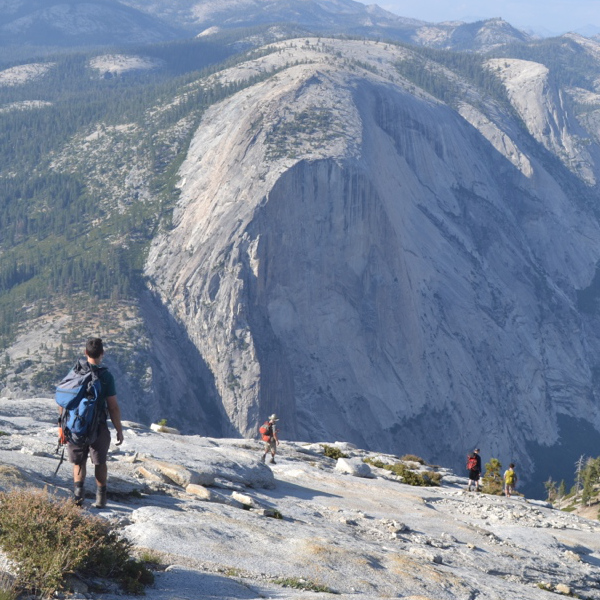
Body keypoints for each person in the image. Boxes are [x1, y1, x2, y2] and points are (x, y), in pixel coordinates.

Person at [60, 338, 124, 508]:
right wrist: (119, 429)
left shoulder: (75, 372)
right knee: (100, 461)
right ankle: (101, 499)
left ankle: (78, 498)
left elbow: (63, 401)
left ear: (85, 353)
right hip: (99, 426)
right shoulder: (106, 377)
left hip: (76, 427)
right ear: (102, 353)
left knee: (78, 462)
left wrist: (63, 426)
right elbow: (113, 407)